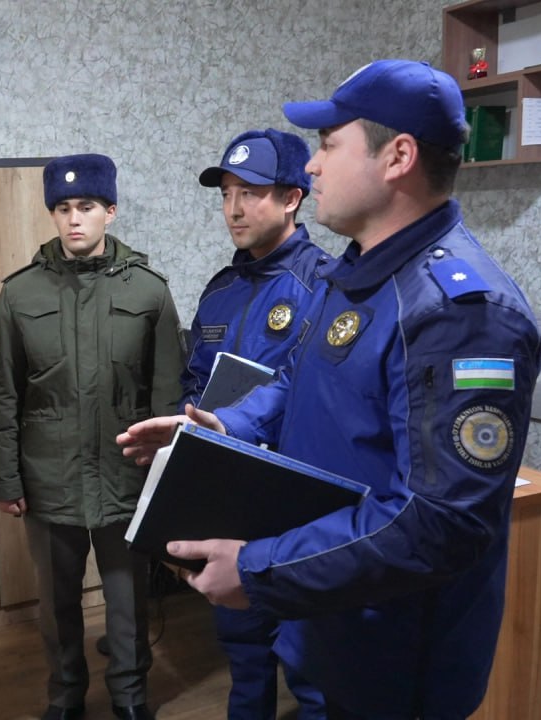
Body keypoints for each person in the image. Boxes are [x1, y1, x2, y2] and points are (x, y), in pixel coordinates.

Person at [118, 59, 541, 719]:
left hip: (395, 651)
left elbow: (439, 523)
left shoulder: (460, 313)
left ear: (398, 157)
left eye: (328, 144)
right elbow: (298, 379)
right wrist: (222, 428)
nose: (312, 166)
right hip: (330, 614)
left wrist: (259, 568)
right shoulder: (359, 275)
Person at [0, 154, 183, 720]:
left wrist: (168, 480)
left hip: (125, 473)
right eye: (63, 208)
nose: (74, 219)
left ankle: (130, 697)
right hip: (50, 477)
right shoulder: (21, 294)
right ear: (53, 214)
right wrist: (3, 480)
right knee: (56, 602)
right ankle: (66, 696)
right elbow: (2, 395)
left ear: (109, 212)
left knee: (127, 599)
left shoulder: (149, 292)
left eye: (87, 207)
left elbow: (167, 395)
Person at [183, 129, 329, 720]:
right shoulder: (220, 290)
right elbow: (195, 378)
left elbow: (310, 388)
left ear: (292, 197)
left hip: (296, 498)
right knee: (243, 652)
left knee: (312, 661)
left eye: (251, 192)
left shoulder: (327, 285)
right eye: (226, 194)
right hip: (230, 491)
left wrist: (234, 424)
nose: (234, 209)